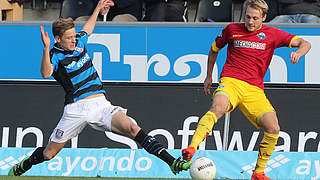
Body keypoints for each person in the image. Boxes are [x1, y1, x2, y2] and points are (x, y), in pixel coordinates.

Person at [8, 0, 191, 176]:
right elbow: (46, 73)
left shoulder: (79, 42)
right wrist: (45, 48)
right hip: (76, 109)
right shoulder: (55, 54)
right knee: (49, 154)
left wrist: (97, 9)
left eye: (74, 36)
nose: (74, 40)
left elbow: (87, 28)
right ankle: (24, 165)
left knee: (132, 127)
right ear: (57, 39)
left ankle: (172, 162)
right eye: (69, 38)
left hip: (100, 104)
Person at [181, 0, 311, 180]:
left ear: (264, 17)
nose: (250, 22)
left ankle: (258, 173)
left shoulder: (273, 34)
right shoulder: (231, 30)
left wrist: (298, 53)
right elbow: (213, 50)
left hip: (254, 90)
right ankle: (191, 148)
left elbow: (305, 43)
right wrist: (209, 76)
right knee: (217, 108)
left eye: (255, 18)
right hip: (231, 82)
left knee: (273, 128)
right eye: (247, 17)